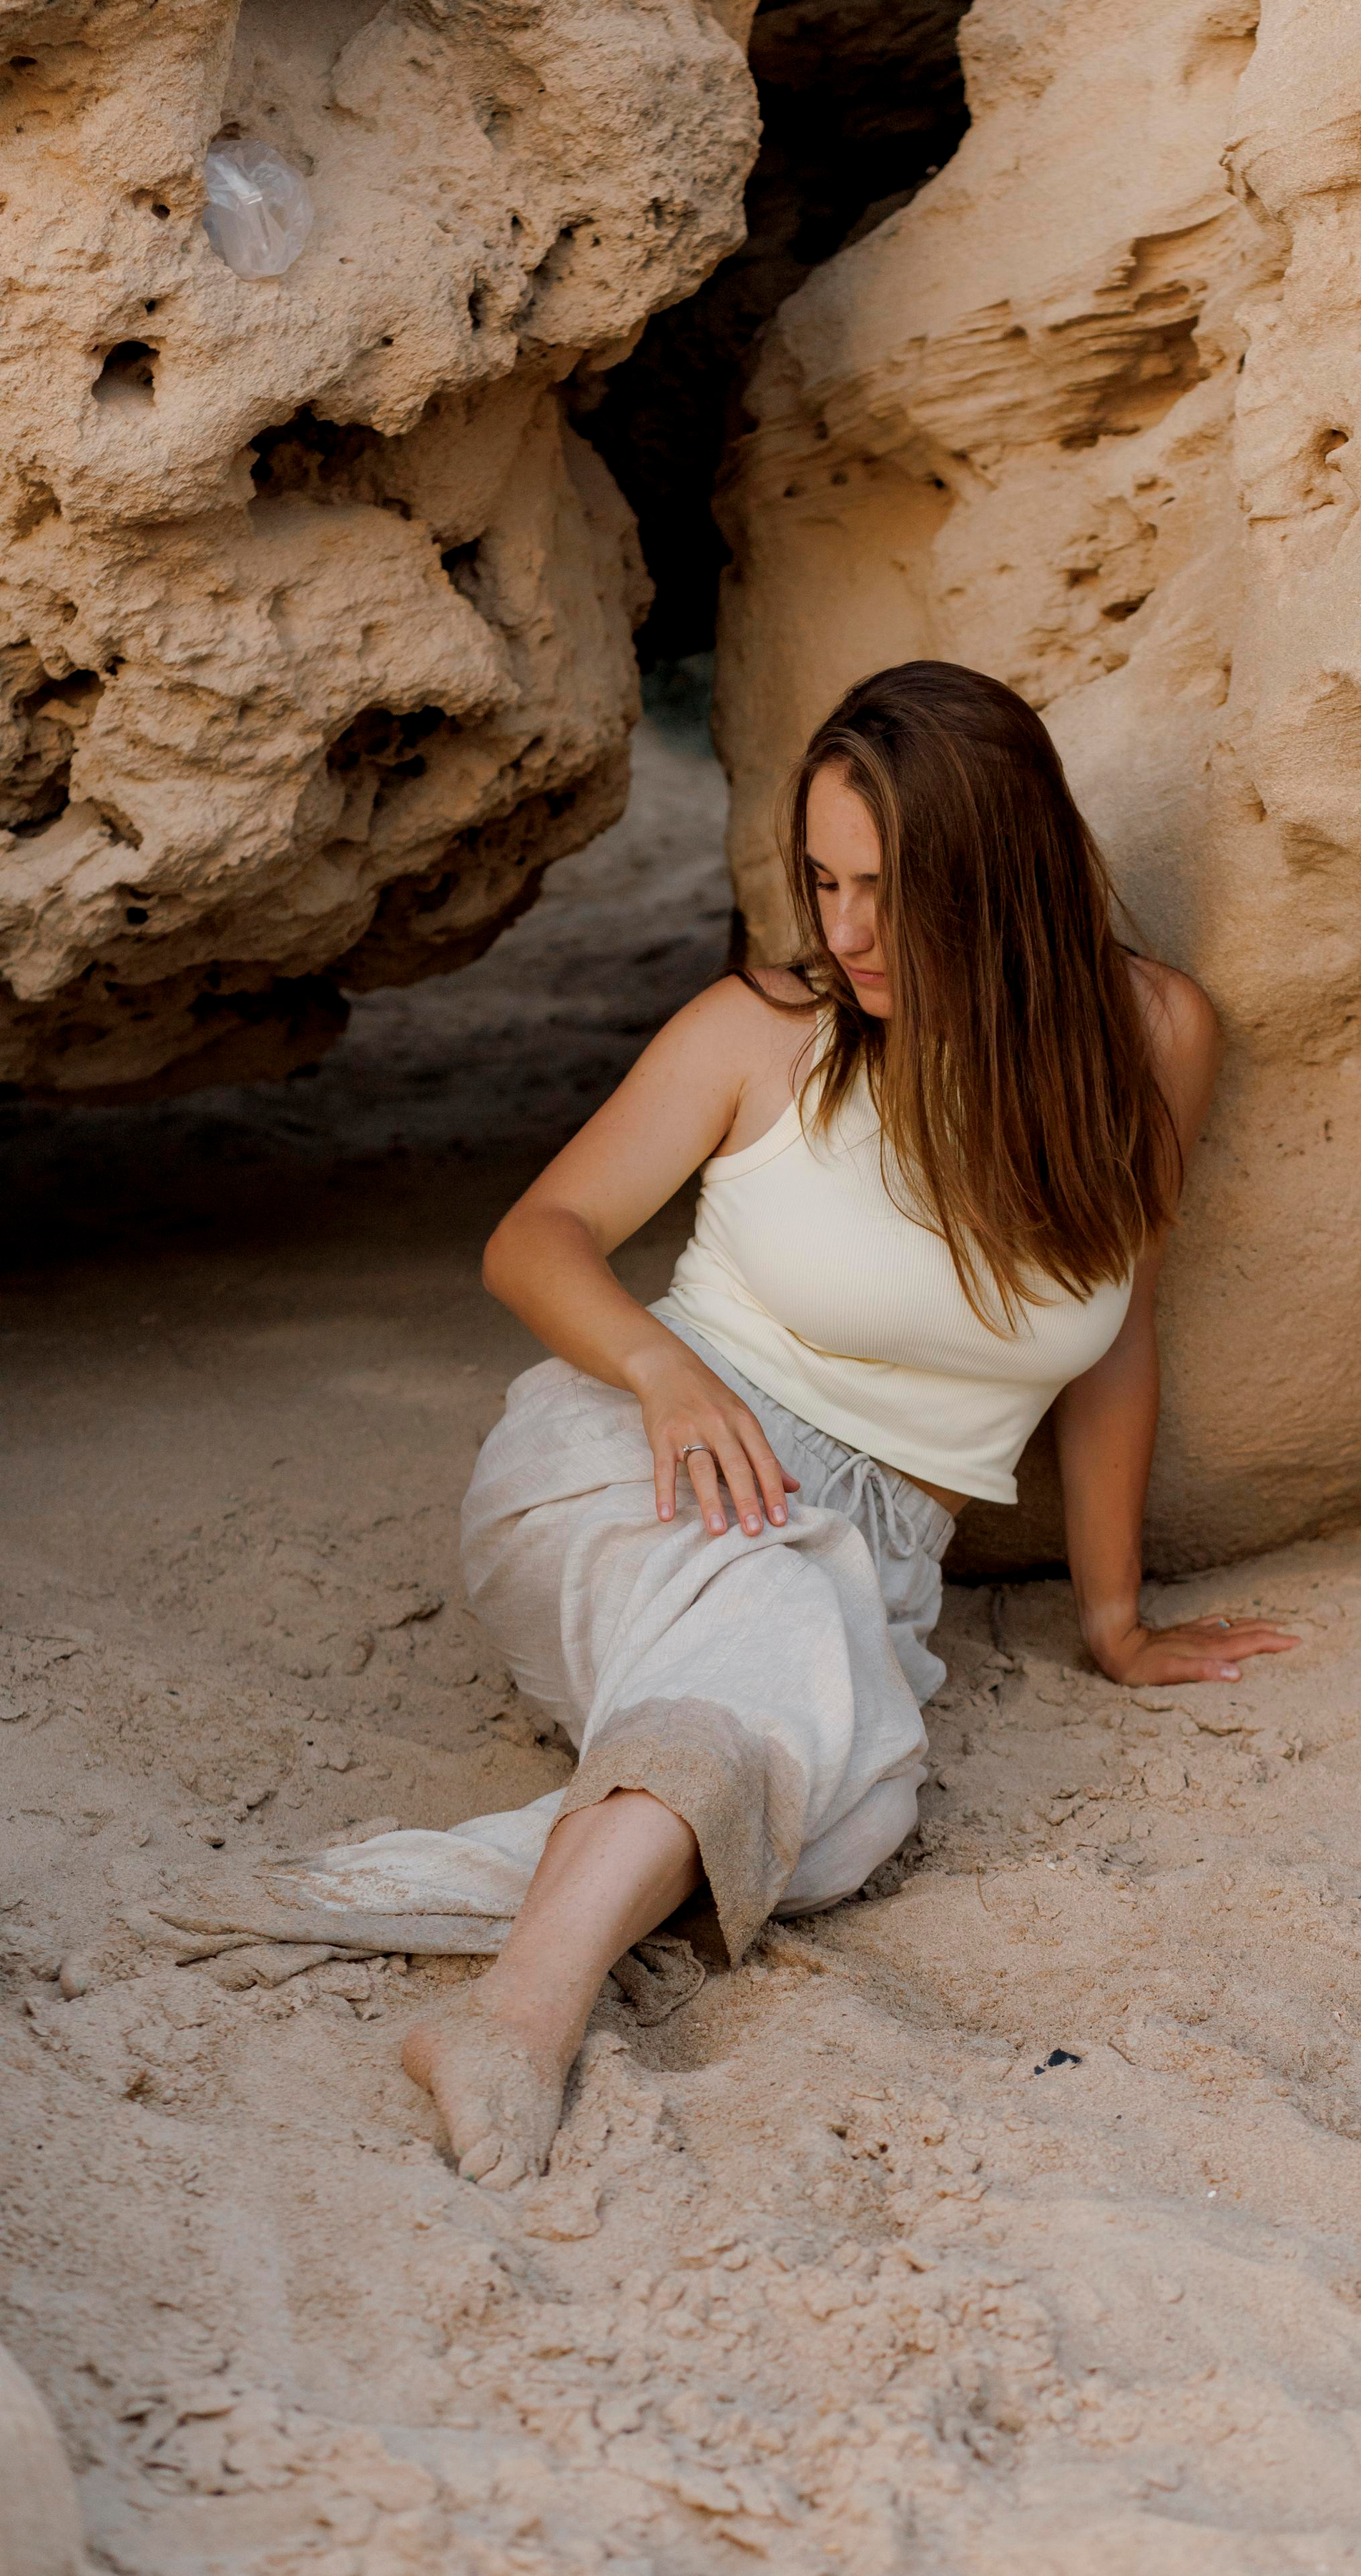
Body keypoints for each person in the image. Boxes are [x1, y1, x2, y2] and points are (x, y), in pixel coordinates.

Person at [201, 660, 1298, 2181]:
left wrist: (1113, 1618)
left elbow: (1117, 1332)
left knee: (852, 1821)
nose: (842, 934)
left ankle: (582, 1854)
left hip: (880, 1551)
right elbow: (537, 1236)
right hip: (642, 1459)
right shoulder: (762, 1031)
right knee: (796, 1665)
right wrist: (663, 1372)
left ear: (1006, 882)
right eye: (823, 881)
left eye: (888, 893)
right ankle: (517, 2017)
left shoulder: (1155, 1038)